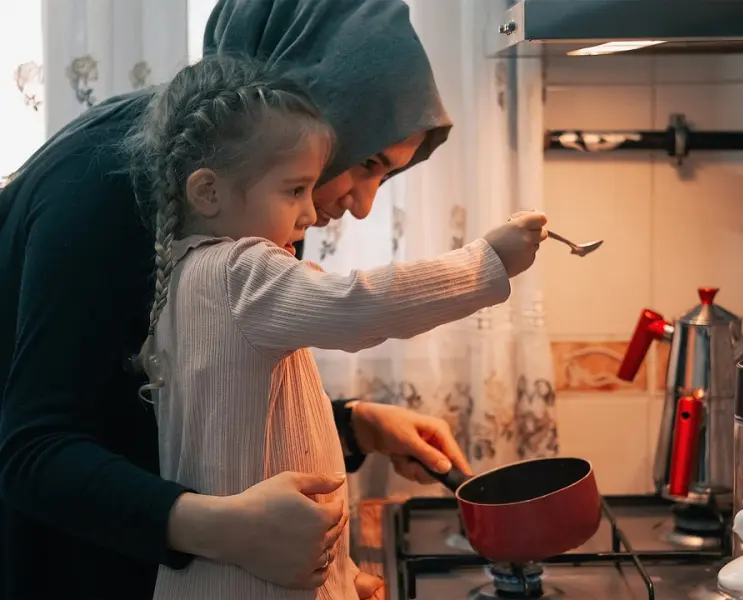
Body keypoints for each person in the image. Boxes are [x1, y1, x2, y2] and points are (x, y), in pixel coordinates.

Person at [0, 1, 544, 599]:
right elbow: (36, 456)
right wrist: (232, 532)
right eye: (367, 163)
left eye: (385, 179)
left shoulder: (239, 188)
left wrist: (354, 426)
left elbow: (188, 397)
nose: (361, 205)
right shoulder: (104, 184)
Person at [127, 55, 546, 600]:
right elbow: (358, 304)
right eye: (294, 190)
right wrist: (485, 261)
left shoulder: (184, 277)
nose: (309, 214)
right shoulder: (240, 271)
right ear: (208, 193)